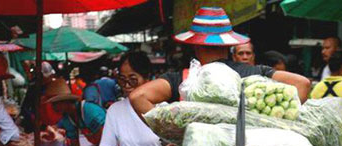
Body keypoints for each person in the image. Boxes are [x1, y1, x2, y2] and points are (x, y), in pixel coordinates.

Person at [130, 6, 311, 115]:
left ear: (195, 45)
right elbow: (302, 84)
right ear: (228, 45)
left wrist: (170, 135)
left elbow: (138, 97)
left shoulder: (182, 80)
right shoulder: (254, 73)